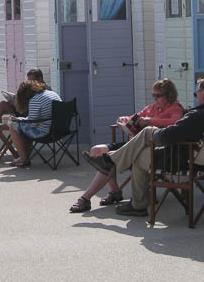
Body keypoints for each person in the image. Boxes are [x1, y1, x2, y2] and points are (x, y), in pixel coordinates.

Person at [81, 76, 204, 217]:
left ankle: (136, 201)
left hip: (180, 162)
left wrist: (152, 130)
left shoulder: (197, 115)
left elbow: (167, 137)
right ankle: (111, 163)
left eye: (196, 93)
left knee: (142, 147)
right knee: (142, 145)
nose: (196, 96)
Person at [69, 78, 187, 213]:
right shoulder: (151, 108)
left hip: (148, 148)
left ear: (169, 95)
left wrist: (151, 121)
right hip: (132, 144)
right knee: (97, 150)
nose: (155, 99)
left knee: (107, 161)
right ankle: (115, 191)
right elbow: (134, 117)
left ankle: (86, 198)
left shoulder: (175, 108)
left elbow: (176, 122)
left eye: (159, 95)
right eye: (153, 95)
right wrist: (124, 119)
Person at [6, 79, 61, 168]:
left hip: (46, 133)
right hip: (60, 129)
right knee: (19, 124)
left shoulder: (35, 100)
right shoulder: (51, 93)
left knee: (13, 125)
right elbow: (34, 119)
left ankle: (23, 159)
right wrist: (22, 119)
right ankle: (25, 155)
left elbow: (32, 124)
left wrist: (16, 120)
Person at [0, 66, 44, 138]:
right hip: (22, 110)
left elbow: (35, 107)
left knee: (1, 116)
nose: (30, 82)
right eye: (29, 80)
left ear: (40, 79)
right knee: (3, 105)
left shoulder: (43, 90)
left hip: (29, 117)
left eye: (32, 80)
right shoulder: (31, 87)